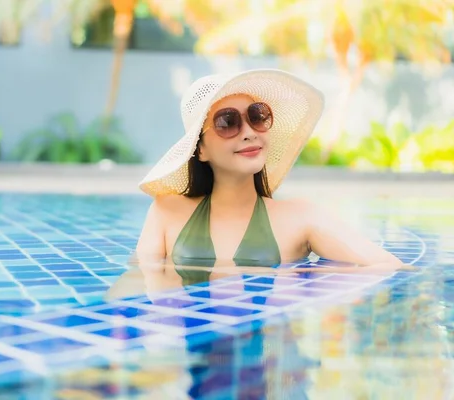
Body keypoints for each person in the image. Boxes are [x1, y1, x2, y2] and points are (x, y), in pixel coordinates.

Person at [134, 69, 404, 271]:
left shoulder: (300, 217)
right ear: (200, 149)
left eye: (256, 116)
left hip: (270, 345)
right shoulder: (166, 212)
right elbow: (138, 287)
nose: (250, 133)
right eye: (228, 122)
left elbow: (388, 267)